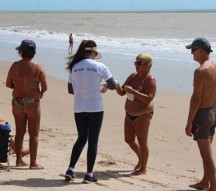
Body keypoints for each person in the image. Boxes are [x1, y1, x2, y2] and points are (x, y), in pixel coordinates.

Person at [64, 39, 117, 183]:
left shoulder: (74, 67)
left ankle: (70, 168)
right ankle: (89, 174)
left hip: (79, 107)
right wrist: (103, 86)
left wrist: (83, 88)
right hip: (95, 108)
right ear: (93, 52)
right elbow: (113, 85)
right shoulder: (100, 66)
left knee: (81, 138)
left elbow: (70, 90)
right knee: (93, 141)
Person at [185, 37, 216, 191]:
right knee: (207, 151)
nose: (192, 54)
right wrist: (213, 112)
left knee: (206, 154)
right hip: (214, 111)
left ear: (201, 50)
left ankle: (213, 188)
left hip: (203, 114)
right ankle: (205, 182)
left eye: (193, 50)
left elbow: (196, 100)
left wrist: (189, 123)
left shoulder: (200, 71)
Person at [6, 39, 48, 169]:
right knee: (33, 133)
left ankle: (19, 160)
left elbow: (8, 84)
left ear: (21, 52)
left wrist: (18, 88)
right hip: (32, 102)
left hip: (17, 101)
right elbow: (45, 86)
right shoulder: (38, 66)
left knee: (19, 132)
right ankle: (33, 163)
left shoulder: (15, 66)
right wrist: (40, 93)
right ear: (34, 52)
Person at [116, 52, 156, 175]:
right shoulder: (133, 76)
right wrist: (115, 85)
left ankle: (143, 168)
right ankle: (141, 158)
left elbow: (148, 98)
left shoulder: (150, 79)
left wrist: (133, 92)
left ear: (148, 65)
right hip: (129, 113)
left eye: (140, 63)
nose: (136, 65)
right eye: (136, 62)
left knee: (142, 142)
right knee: (129, 139)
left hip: (143, 114)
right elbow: (122, 92)